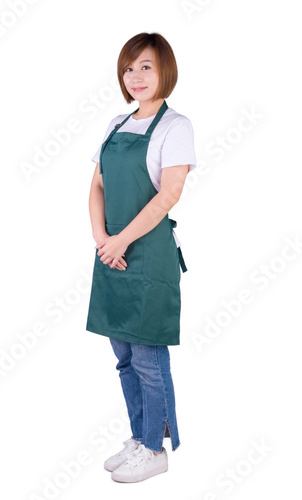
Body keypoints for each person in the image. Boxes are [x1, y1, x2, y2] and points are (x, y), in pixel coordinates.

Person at [86, 32, 197, 483]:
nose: (136, 76)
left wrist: (120, 241)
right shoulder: (116, 123)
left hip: (147, 258)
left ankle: (155, 447)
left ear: (164, 69)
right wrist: (101, 239)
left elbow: (168, 193)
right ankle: (139, 436)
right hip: (110, 256)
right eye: (129, 68)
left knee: (149, 359)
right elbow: (97, 186)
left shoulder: (177, 126)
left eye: (146, 66)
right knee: (124, 358)